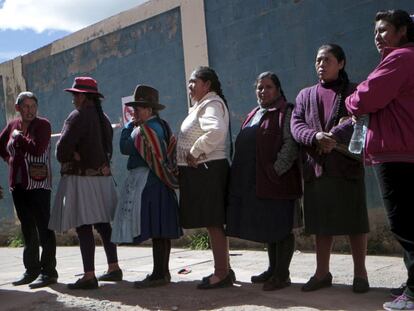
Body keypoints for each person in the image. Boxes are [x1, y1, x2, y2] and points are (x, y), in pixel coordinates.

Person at [345, 10, 414, 311]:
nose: (377, 37)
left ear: (402, 31)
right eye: (375, 32)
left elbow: (365, 97)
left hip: (397, 152)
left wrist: (351, 99)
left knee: (404, 224)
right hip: (401, 150)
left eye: (384, 30)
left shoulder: (401, 59)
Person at [291, 44, 370, 293]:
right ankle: (322, 273)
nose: (321, 65)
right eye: (317, 60)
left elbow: (361, 119)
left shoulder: (354, 91)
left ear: (341, 63)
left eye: (327, 60)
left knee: (355, 223)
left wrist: (332, 136)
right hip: (317, 168)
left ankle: (361, 274)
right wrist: (315, 137)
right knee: (320, 225)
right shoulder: (305, 95)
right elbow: (296, 125)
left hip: (346, 167)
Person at [226, 72, 302, 291]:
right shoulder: (254, 113)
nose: (263, 91)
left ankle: (282, 274)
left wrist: (275, 171)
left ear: (277, 90)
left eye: (268, 87)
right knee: (270, 226)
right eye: (259, 87)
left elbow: (290, 144)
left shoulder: (286, 111)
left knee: (282, 227)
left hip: (278, 180)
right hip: (256, 181)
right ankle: (272, 269)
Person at [49, 77, 121, 289]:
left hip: (82, 179)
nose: (73, 99)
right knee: (103, 224)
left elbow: (61, 152)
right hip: (102, 179)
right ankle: (114, 267)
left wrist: (75, 155)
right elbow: (107, 150)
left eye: (75, 95)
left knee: (83, 225)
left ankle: (89, 275)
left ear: (82, 96)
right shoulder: (104, 119)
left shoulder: (77, 117)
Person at [111, 84, 182, 288]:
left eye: (139, 108)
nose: (135, 112)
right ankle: (162, 272)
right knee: (161, 231)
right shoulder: (163, 126)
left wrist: (127, 127)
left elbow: (125, 147)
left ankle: (159, 274)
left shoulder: (144, 130)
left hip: (151, 183)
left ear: (149, 110)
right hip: (162, 182)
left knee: (158, 231)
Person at [177, 66, 233, 289]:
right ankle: (225, 269)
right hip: (202, 170)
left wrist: (195, 150)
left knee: (213, 222)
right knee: (213, 222)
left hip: (208, 170)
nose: (190, 86)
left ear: (207, 84)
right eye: (189, 82)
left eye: (194, 82)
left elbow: (216, 131)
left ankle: (221, 273)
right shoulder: (203, 105)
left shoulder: (211, 104)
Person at [0, 91, 58, 288]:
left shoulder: (43, 125)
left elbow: (37, 149)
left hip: (39, 184)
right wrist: (9, 160)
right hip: (18, 185)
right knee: (27, 228)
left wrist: (19, 138)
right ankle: (31, 270)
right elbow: (1, 146)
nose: (30, 110)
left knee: (44, 228)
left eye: (33, 106)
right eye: (25, 107)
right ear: (18, 108)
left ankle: (49, 272)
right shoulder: (12, 126)